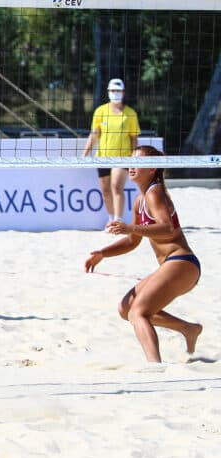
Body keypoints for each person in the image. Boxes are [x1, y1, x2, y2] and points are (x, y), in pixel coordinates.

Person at [84, 145, 203, 363]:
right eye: (131, 161)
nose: (131, 166)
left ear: (152, 168)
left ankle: (154, 366)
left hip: (182, 263)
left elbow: (168, 229)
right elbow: (132, 241)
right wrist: (103, 253)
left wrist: (130, 227)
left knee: (138, 312)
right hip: (173, 266)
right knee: (125, 308)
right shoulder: (140, 200)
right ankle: (188, 329)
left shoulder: (155, 192)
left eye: (138, 162)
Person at [82, 78, 141, 227]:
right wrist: (85, 154)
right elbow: (94, 134)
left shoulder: (130, 114)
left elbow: (134, 138)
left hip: (123, 158)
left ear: (123, 92)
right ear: (108, 92)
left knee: (116, 187)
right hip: (103, 158)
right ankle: (111, 219)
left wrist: (135, 158)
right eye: (113, 90)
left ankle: (118, 220)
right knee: (105, 191)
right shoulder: (100, 111)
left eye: (118, 90)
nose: (115, 93)